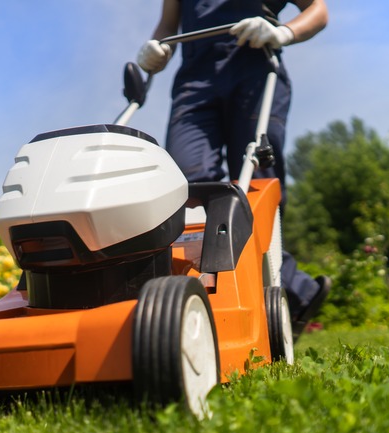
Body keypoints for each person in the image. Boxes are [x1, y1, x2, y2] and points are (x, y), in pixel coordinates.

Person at [136, 0, 330, 341]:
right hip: (194, 82)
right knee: (190, 188)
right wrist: (157, 48)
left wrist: (283, 32)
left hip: (254, 67)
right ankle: (292, 291)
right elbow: (168, 25)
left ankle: (261, 300)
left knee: (254, 186)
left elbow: (318, 10)